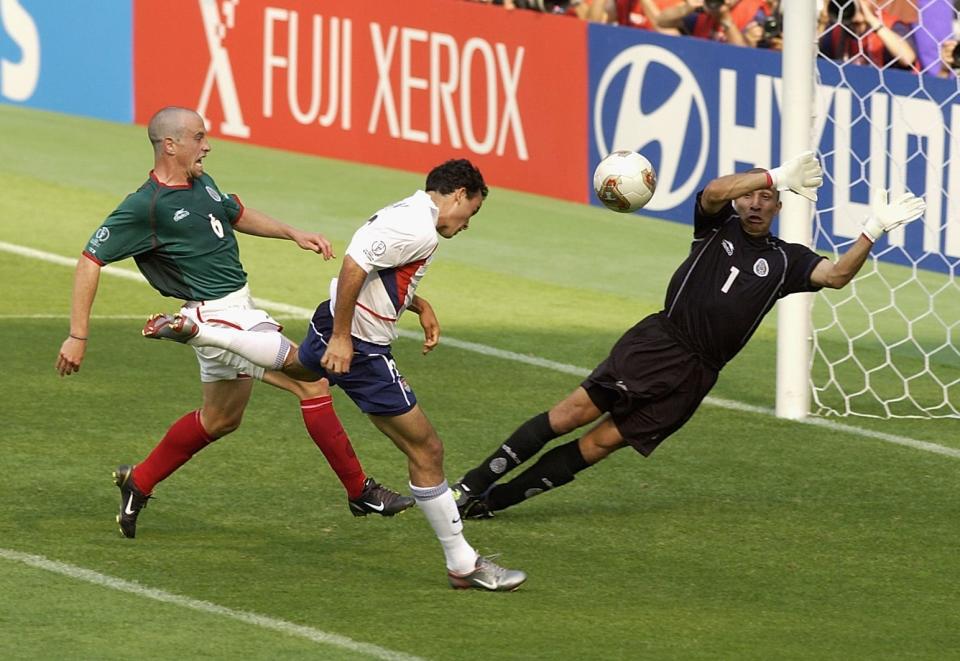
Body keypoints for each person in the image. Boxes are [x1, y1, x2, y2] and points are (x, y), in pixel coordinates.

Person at [448, 152, 926, 519]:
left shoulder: (787, 260)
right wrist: (772, 174)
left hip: (698, 374)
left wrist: (872, 230)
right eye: (751, 195)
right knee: (571, 414)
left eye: (766, 199)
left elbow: (838, 275)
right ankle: (471, 484)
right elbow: (715, 190)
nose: (756, 203)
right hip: (659, 343)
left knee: (601, 445)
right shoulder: (716, 224)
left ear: (780, 207)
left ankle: (493, 503)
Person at [141, 159, 527, 591]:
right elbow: (354, 265)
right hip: (361, 345)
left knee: (300, 368)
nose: (467, 223)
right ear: (459, 193)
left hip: (337, 324)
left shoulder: (409, 213)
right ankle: (463, 564)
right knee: (426, 449)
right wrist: (344, 337)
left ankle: (201, 331)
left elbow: (380, 271)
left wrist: (419, 305)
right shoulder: (416, 226)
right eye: (471, 212)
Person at [55, 106, 413, 539]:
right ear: (171, 145)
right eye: (199, 137)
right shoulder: (145, 206)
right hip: (218, 314)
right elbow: (90, 260)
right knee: (311, 381)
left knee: (220, 419)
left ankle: (140, 481)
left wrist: (292, 233)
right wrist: (78, 335)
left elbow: (233, 212)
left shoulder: (200, 181)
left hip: (236, 310)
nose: (207, 145)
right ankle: (360, 490)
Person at [818, 0, 917, 70]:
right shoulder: (836, 29)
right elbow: (815, 61)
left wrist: (871, 20)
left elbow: (907, 58)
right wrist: (823, 21)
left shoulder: (890, 25)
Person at [656, 0, 771, 48]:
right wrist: (687, 7)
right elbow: (662, 21)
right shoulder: (707, 7)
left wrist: (724, 18)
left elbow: (745, 56)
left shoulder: (756, 13)